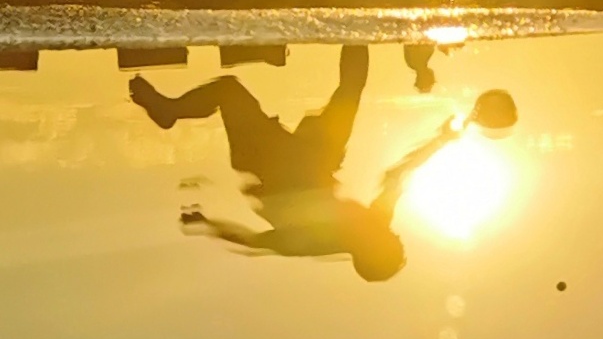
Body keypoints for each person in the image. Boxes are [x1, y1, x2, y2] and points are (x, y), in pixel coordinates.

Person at [127, 46, 449, 279]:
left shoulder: (317, 242)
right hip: (315, 158)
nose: (392, 233)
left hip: (269, 165)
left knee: (229, 90)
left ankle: (170, 111)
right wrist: (444, 139)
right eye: (394, 238)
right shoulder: (376, 223)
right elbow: (399, 174)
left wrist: (208, 225)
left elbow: (253, 241)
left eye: (391, 241)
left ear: (371, 250)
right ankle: (354, 32)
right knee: (350, 90)